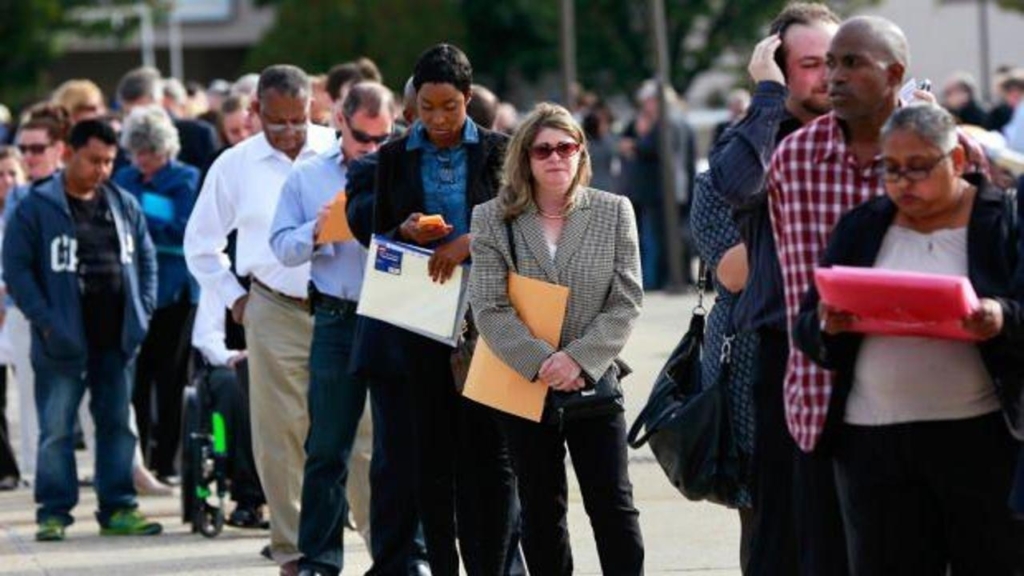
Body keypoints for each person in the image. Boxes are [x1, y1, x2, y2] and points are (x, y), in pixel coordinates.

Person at [767, 16, 989, 574]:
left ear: (895, 74)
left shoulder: (954, 152)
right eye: (827, 64)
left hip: (961, 410)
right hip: (826, 404)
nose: (833, 78)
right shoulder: (792, 162)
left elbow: (994, 267)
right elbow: (794, 287)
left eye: (851, 63)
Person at [793, 103, 1022, 575]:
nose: (902, 183)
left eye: (918, 168)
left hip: (978, 438)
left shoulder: (1002, 219)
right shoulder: (862, 225)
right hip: (872, 443)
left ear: (956, 160)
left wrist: (1000, 316)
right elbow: (806, 324)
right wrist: (826, 324)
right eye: (891, 170)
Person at [468, 102, 644, 574]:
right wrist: (545, 362)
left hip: (594, 381)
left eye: (566, 147)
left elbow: (626, 300)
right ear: (525, 158)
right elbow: (487, 306)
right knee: (541, 510)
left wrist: (578, 361)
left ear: (581, 153)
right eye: (543, 149)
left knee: (613, 505)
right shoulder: (491, 219)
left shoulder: (613, 211)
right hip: (524, 384)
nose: (556, 158)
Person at [184, 64, 336, 576]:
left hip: (341, 305)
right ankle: (292, 548)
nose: (291, 132)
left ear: (314, 106)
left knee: (358, 428)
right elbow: (200, 245)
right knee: (280, 434)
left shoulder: (337, 150)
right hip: (273, 307)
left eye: (300, 119)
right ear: (255, 112)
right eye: (278, 122)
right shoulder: (234, 166)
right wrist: (235, 300)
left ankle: (380, 539)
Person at [372, 43, 517, 576]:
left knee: (491, 455)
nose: (437, 119)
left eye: (448, 107)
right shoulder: (394, 155)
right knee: (431, 456)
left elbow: (518, 223)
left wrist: (470, 241)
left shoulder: (500, 150)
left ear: (468, 99)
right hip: (421, 312)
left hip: (491, 314)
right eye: (426, 108)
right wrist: (404, 232)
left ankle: (492, 565)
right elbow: (378, 236)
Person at [706, 3, 839, 574]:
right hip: (777, 351)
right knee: (777, 530)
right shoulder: (754, 137)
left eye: (837, 61)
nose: (828, 76)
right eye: (810, 64)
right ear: (779, 69)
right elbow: (737, 184)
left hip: (863, 351)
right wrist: (766, 99)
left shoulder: (868, 133)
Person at [3, 119, 160, 541]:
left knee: (117, 425)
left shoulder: (123, 203)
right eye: (94, 160)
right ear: (68, 153)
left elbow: (146, 262)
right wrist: (47, 322)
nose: (102, 169)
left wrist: (142, 313)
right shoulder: (35, 207)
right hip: (61, 340)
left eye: (109, 161)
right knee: (56, 429)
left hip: (116, 338)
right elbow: (16, 270)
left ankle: (119, 507)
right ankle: (53, 512)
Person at [269, 80, 393, 576]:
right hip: (339, 315)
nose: (373, 150)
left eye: (383, 138)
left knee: (398, 444)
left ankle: (404, 554)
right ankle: (319, 559)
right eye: (365, 139)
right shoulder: (308, 176)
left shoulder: (402, 165)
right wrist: (318, 231)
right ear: (340, 121)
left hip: (394, 314)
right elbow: (280, 246)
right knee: (327, 445)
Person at [113, 105, 200, 483]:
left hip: (177, 294)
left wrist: (141, 224)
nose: (141, 160)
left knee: (171, 379)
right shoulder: (123, 177)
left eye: (147, 152)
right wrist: (150, 223)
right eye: (136, 152)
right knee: (137, 379)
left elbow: (185, 228)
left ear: (165, 149)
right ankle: (139, 462)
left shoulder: (186, 178)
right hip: (134, 292)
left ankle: (170, 463)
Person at [190, 282, 267, 528]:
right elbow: (206, 337)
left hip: (284, 360)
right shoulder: (220, 276)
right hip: (231, 363)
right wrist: (231, 357)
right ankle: (248, 496)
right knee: (235, 385)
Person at [116, 67, 219, 173]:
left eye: (142, 112)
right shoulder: (122, 141)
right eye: (129, 114)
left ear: (160, 101)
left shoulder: (198, 135)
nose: (137, 119)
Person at [0, 145, 26, 490]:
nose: (6, 182)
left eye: (11, 174)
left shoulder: (29, 212)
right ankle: (6, 468)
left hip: (22, 310)